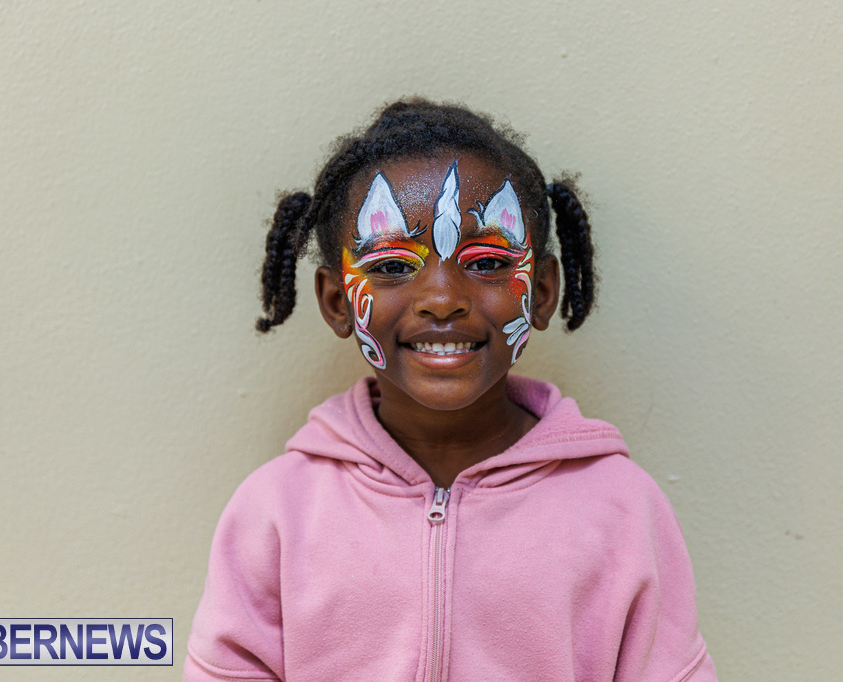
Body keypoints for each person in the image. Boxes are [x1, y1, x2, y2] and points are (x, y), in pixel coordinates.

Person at [184, 99, 717, 681]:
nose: (442, 298)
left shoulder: (622, 509)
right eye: (391, 266)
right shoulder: (275, 511)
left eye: (487, 262)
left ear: (541, 293)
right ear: (337, 302)